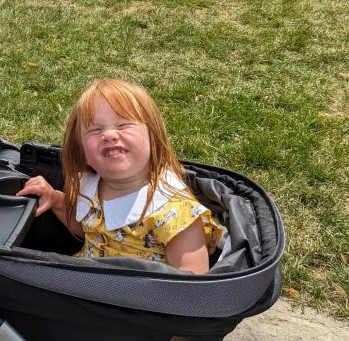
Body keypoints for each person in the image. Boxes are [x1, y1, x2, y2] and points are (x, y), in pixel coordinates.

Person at [17, 78, 222, 275]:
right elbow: (86, 229)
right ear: (83, 154)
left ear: (154, 138)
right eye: (95, 130)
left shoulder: (175, 212)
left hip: (136, 304)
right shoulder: (88, 187)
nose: (109, 135)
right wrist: (56, 200)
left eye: (123, 125)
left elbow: (193, 287)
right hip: (83, 283)